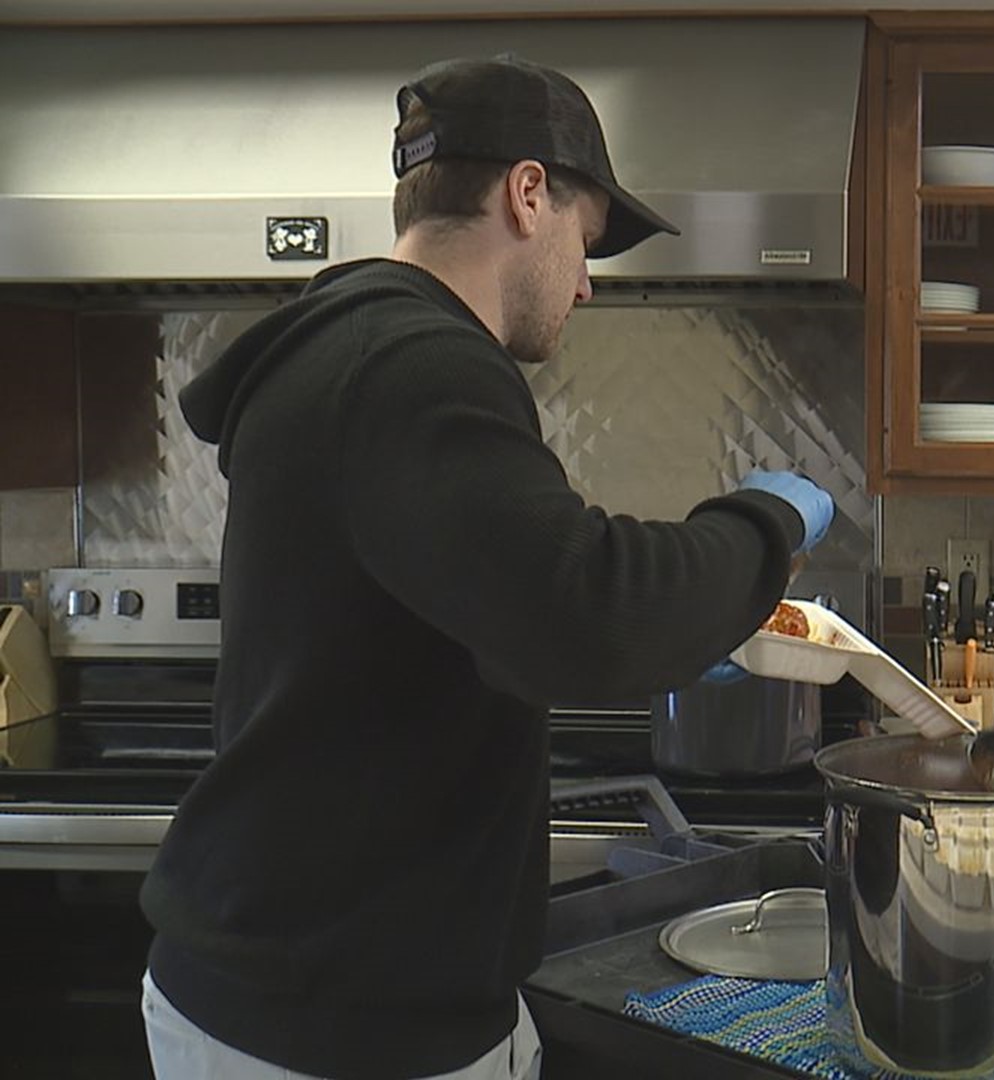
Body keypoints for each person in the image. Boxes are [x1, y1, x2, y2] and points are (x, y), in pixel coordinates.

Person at [138, 55, 834, 1080]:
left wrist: (699, 623)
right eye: (588, 242)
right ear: (527, 193)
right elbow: (591, 613)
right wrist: (769, 522)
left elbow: (494, 620)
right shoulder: (413, 363)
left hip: (320, 994)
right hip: (332, 1029)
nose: (588, 281)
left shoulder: (353, 352)